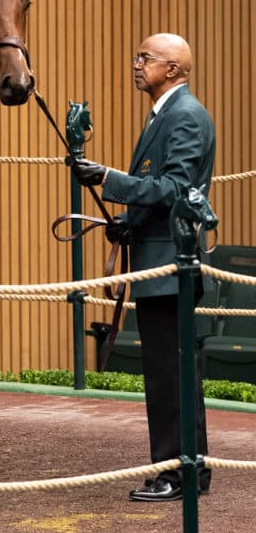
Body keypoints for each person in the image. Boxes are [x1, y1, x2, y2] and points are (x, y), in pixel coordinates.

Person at [71, 32, 215, 502]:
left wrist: (111, 179)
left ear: (172, 69)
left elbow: (175, 188)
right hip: (158, 260)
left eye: (145, 57)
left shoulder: (186, 116)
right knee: (169, 373)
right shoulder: (166, 114)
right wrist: (127, 224)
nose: (136, 63)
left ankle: (178, 473)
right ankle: (184, 470)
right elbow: (160, 192)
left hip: (171, 268)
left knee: (170, 375)